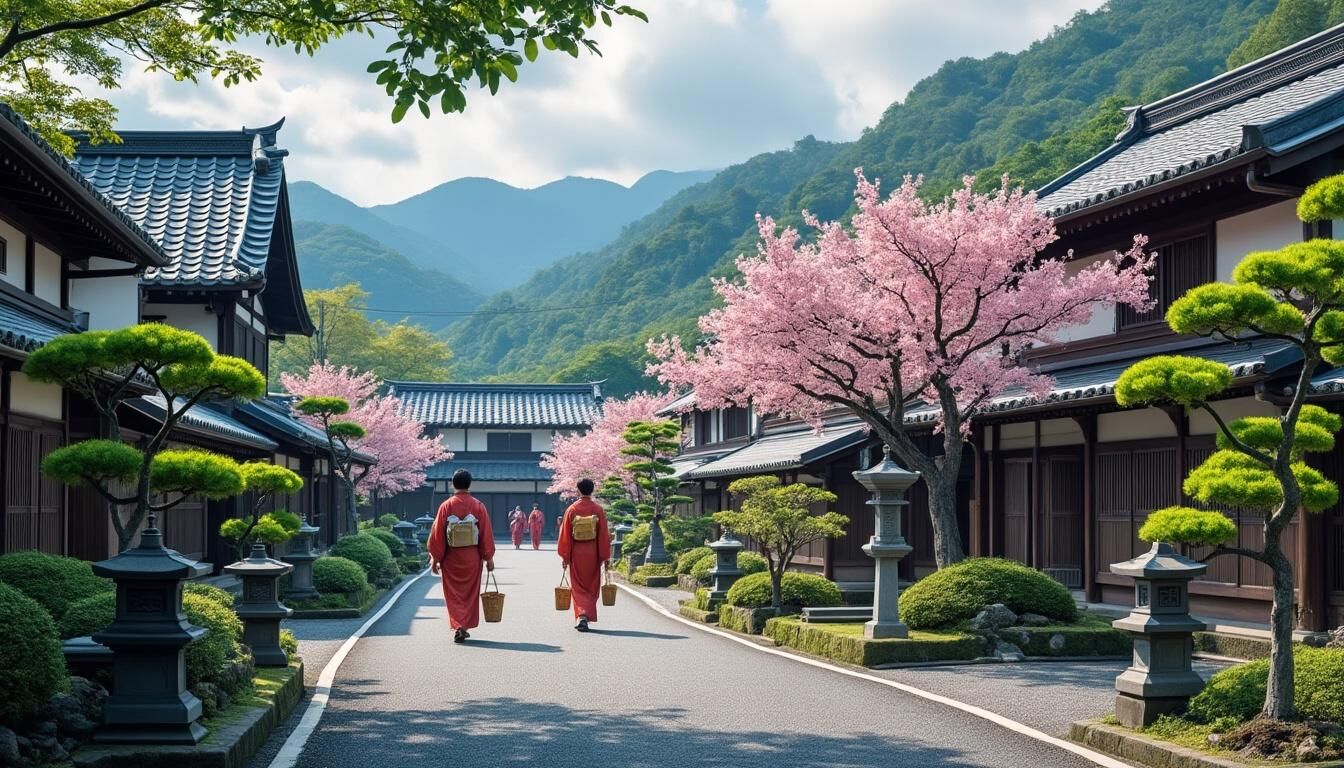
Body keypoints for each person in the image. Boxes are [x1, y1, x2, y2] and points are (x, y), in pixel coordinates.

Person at [427, 469, 496, 643]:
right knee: (470, 593)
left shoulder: (446, 506)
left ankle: (458, 624)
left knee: (453, 593)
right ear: (469, 484)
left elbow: (438, 534)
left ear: (453, 483)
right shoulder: (478, 505)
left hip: (451, 556)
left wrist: (435, 558)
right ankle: (463, 626)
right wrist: (489, 557)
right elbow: (485, 533)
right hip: (472, 556)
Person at [556, 478, 611, 632]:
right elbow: (603, 535)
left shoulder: (572, 510)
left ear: (578, 490)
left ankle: (582, 616)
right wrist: (605, 556)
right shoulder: (598, 510)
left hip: (577, 553)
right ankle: (586, 614)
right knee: (592, 586)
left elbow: (565, 535)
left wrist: (565, 556)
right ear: (592, 490)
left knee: (578, 586)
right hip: (593, 552)